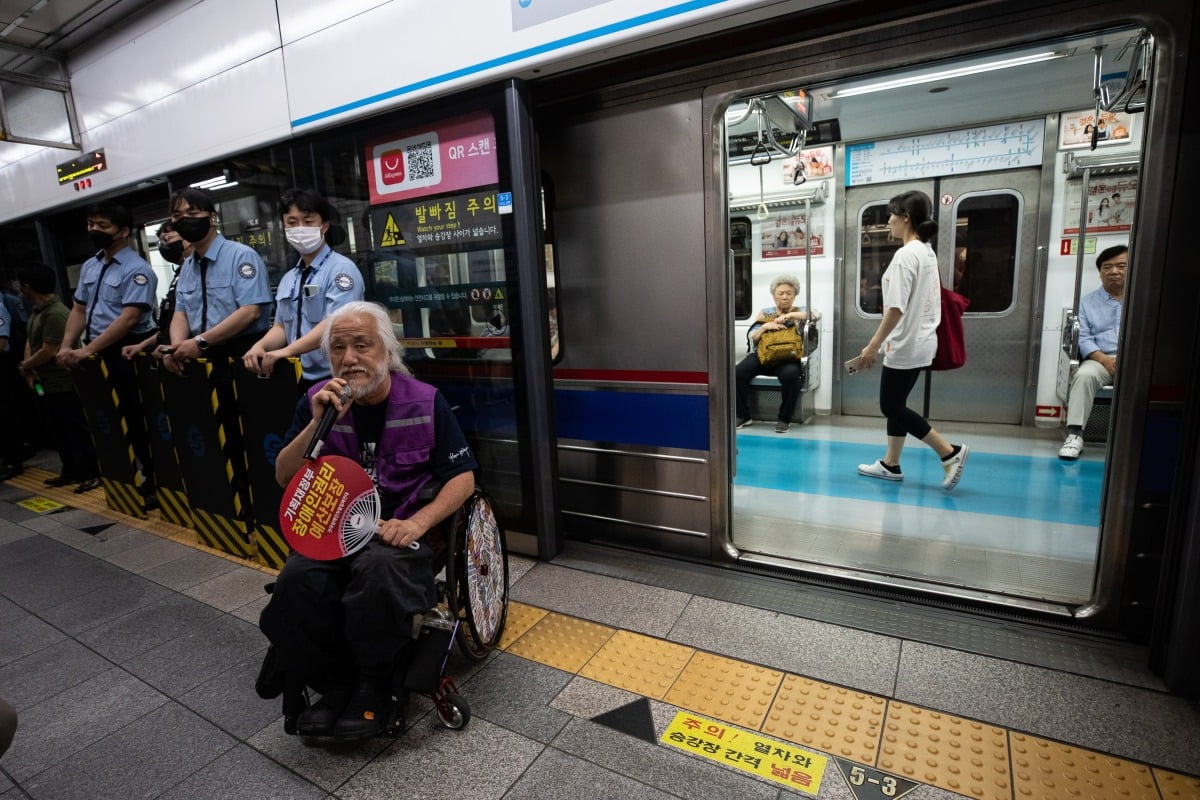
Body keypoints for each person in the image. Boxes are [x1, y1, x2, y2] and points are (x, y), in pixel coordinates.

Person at [259, 301, 477, 739]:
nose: (350, 358)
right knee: (295, 582)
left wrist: (418, 523)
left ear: (387, 350)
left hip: (398, 532)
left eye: (362, 345)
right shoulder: (316, 402)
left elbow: (464, 479)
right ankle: (333, 682)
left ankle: (374, 682)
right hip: (335, 533)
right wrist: (316, 424)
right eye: (338, 348)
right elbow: (285, 475)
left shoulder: (425, 401)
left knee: (378, 572)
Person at [855, 190, 968, 490]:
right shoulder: (925, 251)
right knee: (897, 403)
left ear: (906, 217)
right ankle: (891, 464)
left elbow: (895, 308)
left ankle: (949, 452)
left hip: (906, 343)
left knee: (890, 406)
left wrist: (872, 345)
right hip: (921, 340)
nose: (889, 220)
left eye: (892, 214)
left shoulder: (905, 256)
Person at [56, 201, 159, 497]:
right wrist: (68, 346)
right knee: (108, 419)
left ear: (123, 231)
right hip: (96, 350)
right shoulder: (91, 265)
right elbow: (78, 309)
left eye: (103, 226)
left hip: (129, 351)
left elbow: (129, 319)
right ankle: (124, 475)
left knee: (138, 418)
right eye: (91, 225)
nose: (94, 231)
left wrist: (86, 352)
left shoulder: (137, 270)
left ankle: (153, 480)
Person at [242, 188, 364, 392]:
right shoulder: (289, 278)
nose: (299, 228)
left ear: (324, 226)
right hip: (297, 377)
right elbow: (281, 327)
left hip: (336, 377)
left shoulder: (341, 271)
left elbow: (334, 325)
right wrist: (261, 346)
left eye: (308, 222)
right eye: (292, 222)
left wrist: (287, 351)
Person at [162, 187, 272, 373]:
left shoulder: (241, 256)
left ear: (213, 218)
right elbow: (181, 313)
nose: (184, 220)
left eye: (192, 213)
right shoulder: (188, 266)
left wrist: (200, 342)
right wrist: (178, 348)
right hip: (201, 356)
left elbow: (250, 311)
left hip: (243, 354)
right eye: (177, 215)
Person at [17, 264, 100, 491]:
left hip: (64, 380)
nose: (20, 290)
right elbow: (31, 342)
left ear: (28, 287)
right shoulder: (38, 312)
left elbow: (49, 350)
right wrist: (30, 367)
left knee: (76, 428)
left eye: (22, 286)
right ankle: (71, 469)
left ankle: (91, 471)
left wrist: (25, 365)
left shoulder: (55, 313)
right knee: (60, 430)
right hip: (48, 382)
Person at [1060, 245, 1126, 460]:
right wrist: (1105, 360)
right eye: (1107, 267)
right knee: (1084, 376)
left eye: (1121, 266)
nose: (1114, 271)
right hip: (1101, 358)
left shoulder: (1145, 298)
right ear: (1100, 273)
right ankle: (1075, 435)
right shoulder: (1087, 302)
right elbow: (1084, 338)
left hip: (1136, 358)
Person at [735, 274, 810, 434]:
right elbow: (753, 337)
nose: (784, 297)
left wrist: (788, 316)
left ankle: (784, 419)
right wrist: (765, 327)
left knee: (791, 376)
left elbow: (814, 315)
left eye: (789, 293)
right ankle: (743, 415)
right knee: (738, 373)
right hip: (764, 356)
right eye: (780, 293)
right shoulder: (765, 313)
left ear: (795, 295)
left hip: (787, 357)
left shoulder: (801, 311)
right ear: (774, 295)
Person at [121, 221, 191, 361]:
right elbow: (168, 327)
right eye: (160, 242)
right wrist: (142, 345)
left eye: (167, 239)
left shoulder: (198, 274)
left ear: (188, 239)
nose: (164, 246)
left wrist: (173, 346)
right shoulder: (180, 275)